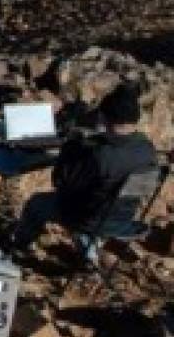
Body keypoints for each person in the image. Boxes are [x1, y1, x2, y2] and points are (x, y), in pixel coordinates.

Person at [12, 82, 158, 254]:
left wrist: (71, 147)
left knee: (37, 203)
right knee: (92, 203)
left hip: (90, 219)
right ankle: (88, 252)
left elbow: (60, 182)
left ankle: (18, 248)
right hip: (123, 220)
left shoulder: (101, 155)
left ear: (104, 118)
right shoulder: (147, 149)